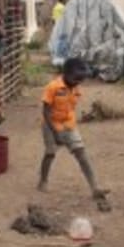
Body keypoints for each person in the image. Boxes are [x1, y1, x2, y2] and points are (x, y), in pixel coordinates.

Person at [38, 58, 109, 200]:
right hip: (50, 123)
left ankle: (95, 187)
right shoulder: (53, 87)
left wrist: (67, 128)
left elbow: (71, 107)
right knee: (50, 153)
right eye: (76, 78)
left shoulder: (76, 87)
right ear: (65, 73)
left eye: (81, 80)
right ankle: (43, 180)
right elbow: (45, 112)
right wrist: (55, 132)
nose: (78, 82)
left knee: (81, 153)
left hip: (68, 124)